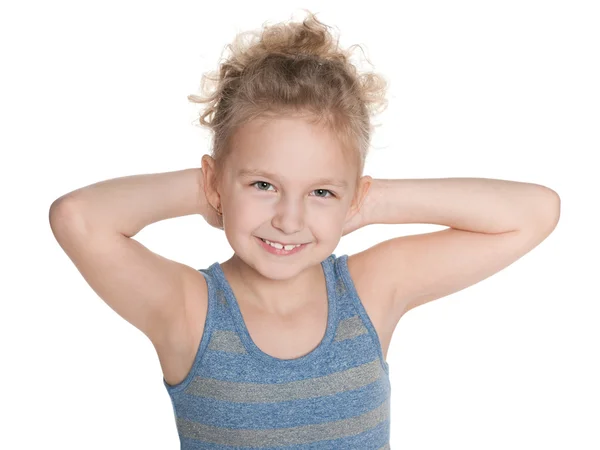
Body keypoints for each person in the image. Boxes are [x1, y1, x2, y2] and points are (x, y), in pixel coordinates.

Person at [48, 10, 560, 449]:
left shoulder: (371, 290)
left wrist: (365, 202)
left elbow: (534, 212)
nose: (289, 220)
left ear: (353, 197)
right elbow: (79, 217)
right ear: (217, 181)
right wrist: (216, 190)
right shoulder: (188, 309)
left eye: (320, 193)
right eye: (264, 184)